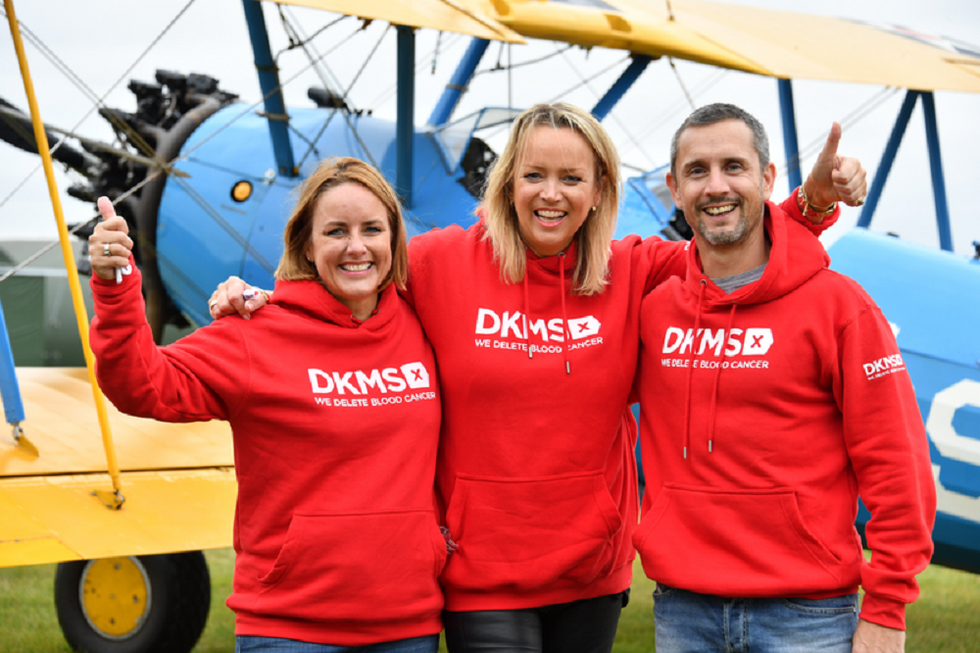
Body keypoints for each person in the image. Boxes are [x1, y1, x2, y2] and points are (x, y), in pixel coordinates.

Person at [208, 103, 867, 653]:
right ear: (507, 185)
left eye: (571, 178)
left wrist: (809, 203)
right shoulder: (437, 263)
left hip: (591, 571)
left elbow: (731, 246)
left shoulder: (634, 268)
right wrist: (268, 300)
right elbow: (350, 276)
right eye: (534, 175)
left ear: (599, 190)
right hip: (480, 569)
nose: (551, 194)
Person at [88, 158, 447, 653]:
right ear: (306, 243)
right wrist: (117, 286)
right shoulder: (256, 333)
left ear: (394, 238)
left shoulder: (424, 321)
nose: (357, 247)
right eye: (336, 231)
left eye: (373, 229)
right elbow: (141, 384)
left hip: (408, 627)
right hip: (290, 629)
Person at [632, 103, 935, 653]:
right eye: (697, 171)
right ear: (674, 189)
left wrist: (888, 608)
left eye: (734, 166)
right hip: (681, 608)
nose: (715, 186)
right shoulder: (652, 306)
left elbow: (897, 463)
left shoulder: (839, 306)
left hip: (808, 616)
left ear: (767, 179)